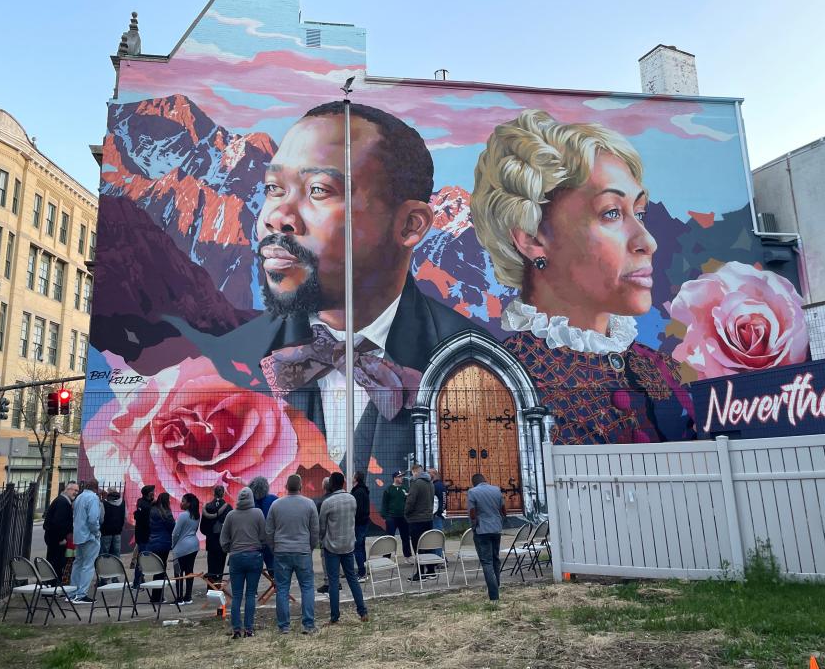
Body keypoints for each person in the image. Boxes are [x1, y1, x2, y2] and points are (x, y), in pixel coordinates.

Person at [173, 102, 480, 516]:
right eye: (274, 189)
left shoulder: (468, 359)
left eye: (318, 190)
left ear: (411, 225)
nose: (277, 218)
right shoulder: (228, 361)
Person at [470, 109, 695, 445]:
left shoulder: (661, 368)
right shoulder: (501, 383)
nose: (648, 241)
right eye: (611, 213)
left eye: (640, 212)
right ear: (532, 239)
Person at [266, 473, 319, 634]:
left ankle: (284, 626)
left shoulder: (276, 505)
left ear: (286, 487)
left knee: (282, 589)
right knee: (307, 587)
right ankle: (308, 624)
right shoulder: (309, 504)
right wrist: (309, 547)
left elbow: (269, 531)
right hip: (302, 550)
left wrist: (274, 548)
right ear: (301, 487)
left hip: (281, 551)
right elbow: (315, 531)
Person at [319, 472, 369, 624]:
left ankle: (335, 617)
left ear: (332, 484)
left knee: (333, 582)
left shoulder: (328, 503)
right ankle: (363, 612)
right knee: (352, 579)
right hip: (348, 545)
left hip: (331, 547)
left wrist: (322, 540)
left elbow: (322, 527)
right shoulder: (351, 499)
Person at [220, 487, 267, 638]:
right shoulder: (258, 513)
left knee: (237, 595)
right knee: (251, 594)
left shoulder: (231, 516)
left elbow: (224, 539)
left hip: (236, 557)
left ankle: (236, 629)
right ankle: (248, 629)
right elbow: (264, 535)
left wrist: (231, 549)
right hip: (254, 556)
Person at [467, 473, 506, 602]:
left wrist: (474, 526)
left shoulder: (472, 492)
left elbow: (472, 514)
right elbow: (503, 510)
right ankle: (496, 585)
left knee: (487, 562)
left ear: (474, 483)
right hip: (496, 528)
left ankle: (494, 596)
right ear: (485, 480)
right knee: (495, 559)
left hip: (482, 530)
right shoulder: (496, 490)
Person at [70, 479, 102, 604]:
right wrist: (97, 532)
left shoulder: (79, 497)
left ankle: (73, 592)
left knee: (78, 563)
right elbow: (93, 519)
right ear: (96, 488)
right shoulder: (93, 498)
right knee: (88, 565)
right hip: (89, 536)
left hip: (78, 535)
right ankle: (81, 594)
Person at [404, 464, 435, 581]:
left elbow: (410, 501)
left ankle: (420, 573)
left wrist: (406, 513)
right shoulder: (430, 483)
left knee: (418, 547)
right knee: (428, 545)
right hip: (428, 518)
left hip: (416, 519)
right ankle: (431, 571)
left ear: (414, 472)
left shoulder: (416, 483)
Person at [43, 482, 77, 583]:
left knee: (54, 562)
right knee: (55, 563)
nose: (76, 493)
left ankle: (51, 585)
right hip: (56, 539)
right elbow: (58, 523)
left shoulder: (61, 500)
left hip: (53, 537)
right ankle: (52, 585)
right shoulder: (63, 502)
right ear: (67, 489)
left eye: (77, 491)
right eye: (74, 490)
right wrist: (61, 538)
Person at [172, 493, 200, 605]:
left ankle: (179, 598)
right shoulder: (196, 515)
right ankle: (188, 596)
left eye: (183, 501)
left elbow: (175, 533)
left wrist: (173, 545)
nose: (181, 503)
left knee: (178, 572)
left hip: (181, 547)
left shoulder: (183, 516)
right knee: (189, 571)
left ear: (188, 503)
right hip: (193, 545)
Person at [147, 493, 175, 603]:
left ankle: (156, 595)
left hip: (153, 542)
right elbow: (172, 526)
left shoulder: (152, 510)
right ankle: (157, 596)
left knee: (157, 568)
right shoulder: (166, 513)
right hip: (164, 543)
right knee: (161, 569)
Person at [200, 486, 232, 584]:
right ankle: (219, 587)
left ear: (213, 493)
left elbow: (203, 529)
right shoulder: (228, 508)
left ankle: (210, 588)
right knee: (220, 566)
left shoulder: (207, 507)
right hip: (222, 543)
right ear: (223, 493)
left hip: (211, 542)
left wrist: (210, 534)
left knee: (211, 566)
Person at [249, 476, 277, 573]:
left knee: (252, 573)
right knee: (273, 569)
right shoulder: (274, 500)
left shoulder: (248, 502)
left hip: (254, 542)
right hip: (270, 540)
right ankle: (275, 586)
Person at [381, 471, 412, 559]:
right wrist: (385, 516)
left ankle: (408, 556)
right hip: (391, 517)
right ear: (394, 478)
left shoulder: (405, 489)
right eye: (399, 476)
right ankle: (386, 557)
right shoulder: (388, 489)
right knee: (389, 538)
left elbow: (408, 502)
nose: (401, 478)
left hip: (403, 517)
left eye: (402, 476)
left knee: (405, 537)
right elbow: (384, 503)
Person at [132, 484, 155, 589]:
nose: (154, 493)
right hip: (144, 536)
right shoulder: (145, 506)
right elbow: (146, 521)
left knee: (142, 558)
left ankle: (140, 579)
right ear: (149, 493)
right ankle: (137, 582)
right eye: (152, 491)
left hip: (142, 536)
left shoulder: (142, 502)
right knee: (142, 559)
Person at [350, 471, 371, 579]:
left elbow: (357, 510)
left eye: (353, 475)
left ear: (356, 478)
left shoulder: (358, 492)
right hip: (363, 523)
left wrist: (353, 521)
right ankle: (363, 570)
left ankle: (362, 572)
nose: (351, 477)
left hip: (359, 524)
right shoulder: (363, 491)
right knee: (361, 547)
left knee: (357, 548)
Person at [314, 476, 331, 594]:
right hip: (337, 535)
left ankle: (328, 583)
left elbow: (319, 521)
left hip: (326, 536)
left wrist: (319, 536)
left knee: (325, 559)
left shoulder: (321, 502)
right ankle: (335, 582)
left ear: (324, 486)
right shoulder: (337, 498)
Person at [100, 488, 126, 557]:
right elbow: (125, 516)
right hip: (118, 531)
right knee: (116, 554)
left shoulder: (104, 503)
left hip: (106, 532)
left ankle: (104, 567)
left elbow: (101, 519)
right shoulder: (123, 502)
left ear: (108, 493)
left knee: (104, 553)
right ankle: (115, 567)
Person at [429, 468, 446, 558]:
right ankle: (441, 557)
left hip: (436, 516)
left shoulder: (438, 485)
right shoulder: (436, 485)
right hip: (435, 515)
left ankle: (439, 558)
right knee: (436, 537)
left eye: (429, 472)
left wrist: (438, 513)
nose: (427, 474)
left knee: (437, 537)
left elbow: (443, 500)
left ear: (434, 474)